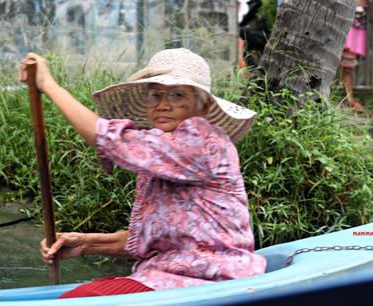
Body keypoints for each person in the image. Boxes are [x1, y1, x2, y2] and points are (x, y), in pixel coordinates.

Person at [18, 48, 267, 298]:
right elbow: (150, 238)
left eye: (177, 95)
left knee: (75, 300)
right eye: (154, 96)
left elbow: (109, 139)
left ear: (205, 106)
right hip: (165, 277)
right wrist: (85, 243)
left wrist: (49, 86)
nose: (163, 105)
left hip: (211, 280)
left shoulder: (203, 142)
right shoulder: (160, 153)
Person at [341, 0, 373, 112]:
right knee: (339, 67)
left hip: (356, 36)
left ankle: (350, 101)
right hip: (345, 33)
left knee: (348, 69)